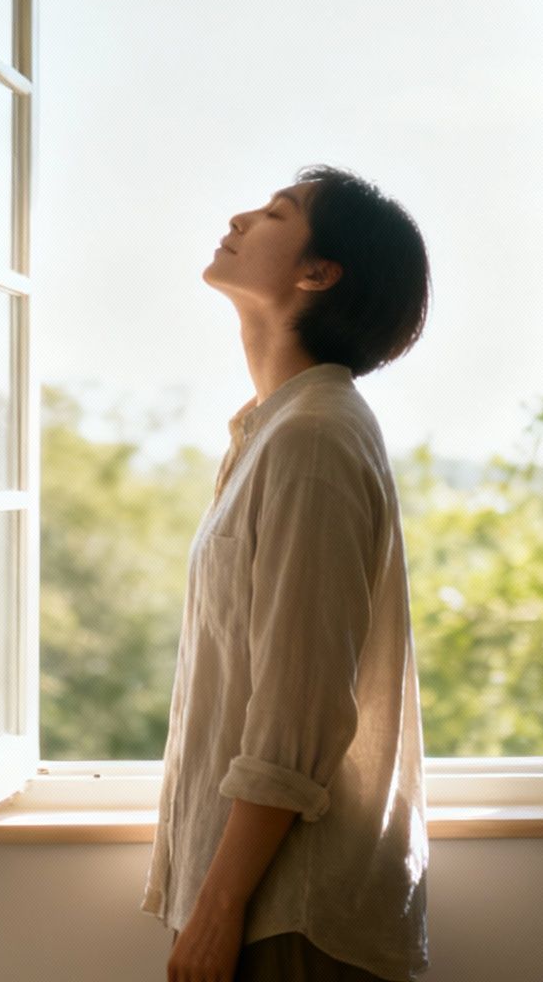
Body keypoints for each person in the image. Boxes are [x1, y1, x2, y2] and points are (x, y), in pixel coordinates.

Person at [140, 165, 433, 982]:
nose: (239, 216)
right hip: (259, 904)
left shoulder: (313, 439)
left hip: (288, 916)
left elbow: (296, 712)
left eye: (275, 213)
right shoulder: (272, 430)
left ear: (317, 272)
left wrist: (220, 907)